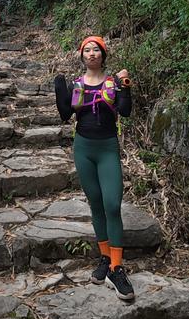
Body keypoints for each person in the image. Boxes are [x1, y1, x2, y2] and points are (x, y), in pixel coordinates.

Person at [54, 36, 135, 302]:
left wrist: (126, 85)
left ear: (103, 54)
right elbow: (66, 114)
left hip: (107, 147)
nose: (92, 54)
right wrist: (59, 88)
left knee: (112, 204)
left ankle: (117, 268)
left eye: (96, 50)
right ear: (82, 56)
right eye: (87, 50)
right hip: (84, 148)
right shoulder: (76, 84)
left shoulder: (113, 81)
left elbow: (125, 111)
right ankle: (105, 259)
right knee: (96, 204)